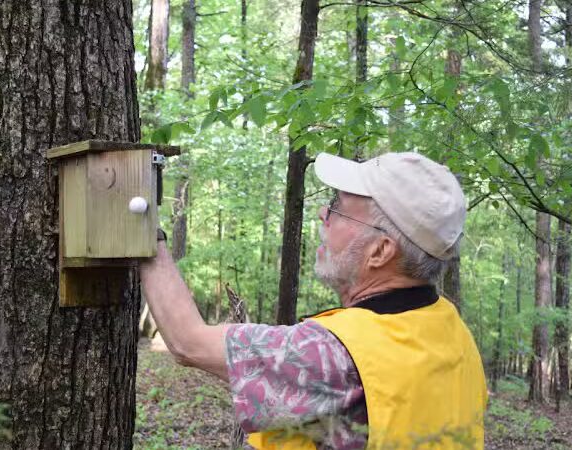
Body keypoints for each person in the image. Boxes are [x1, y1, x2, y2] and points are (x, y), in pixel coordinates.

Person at [139, 152, 488, 450]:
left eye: (338, 208)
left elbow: (188, 341)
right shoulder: (453, 333)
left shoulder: (334, 355)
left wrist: (140, 227)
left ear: (380, 251)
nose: (323, 213)